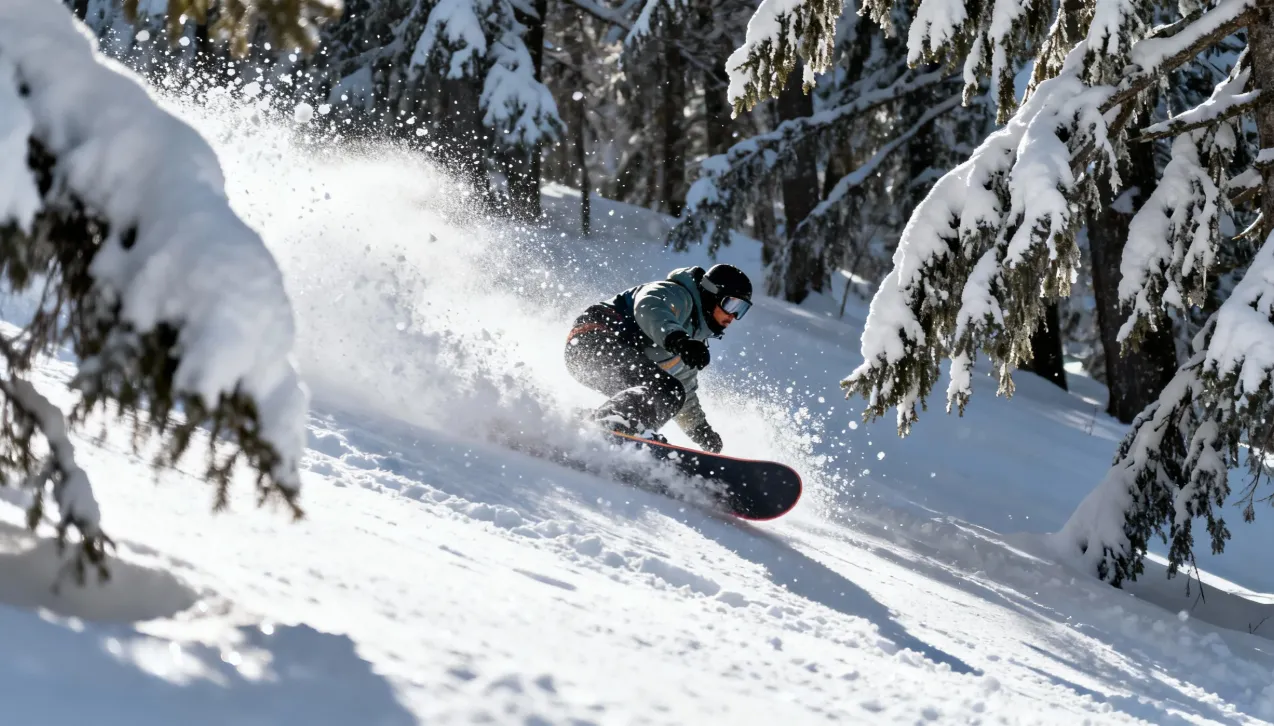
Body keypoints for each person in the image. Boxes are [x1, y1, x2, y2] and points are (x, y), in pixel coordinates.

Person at [563, 264, 753, 453]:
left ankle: (602, 426)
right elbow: (650, 307)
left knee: (669, 391)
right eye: (731, 304)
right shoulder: (676, 295)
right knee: (665, 388)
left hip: (602, 359)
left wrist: (700, 431)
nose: (733, 316)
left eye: (741, 310)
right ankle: (618, 426)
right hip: (592, 342)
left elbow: (683, 386)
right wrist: (678, 340)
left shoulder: (692, 338)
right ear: (712, 294)